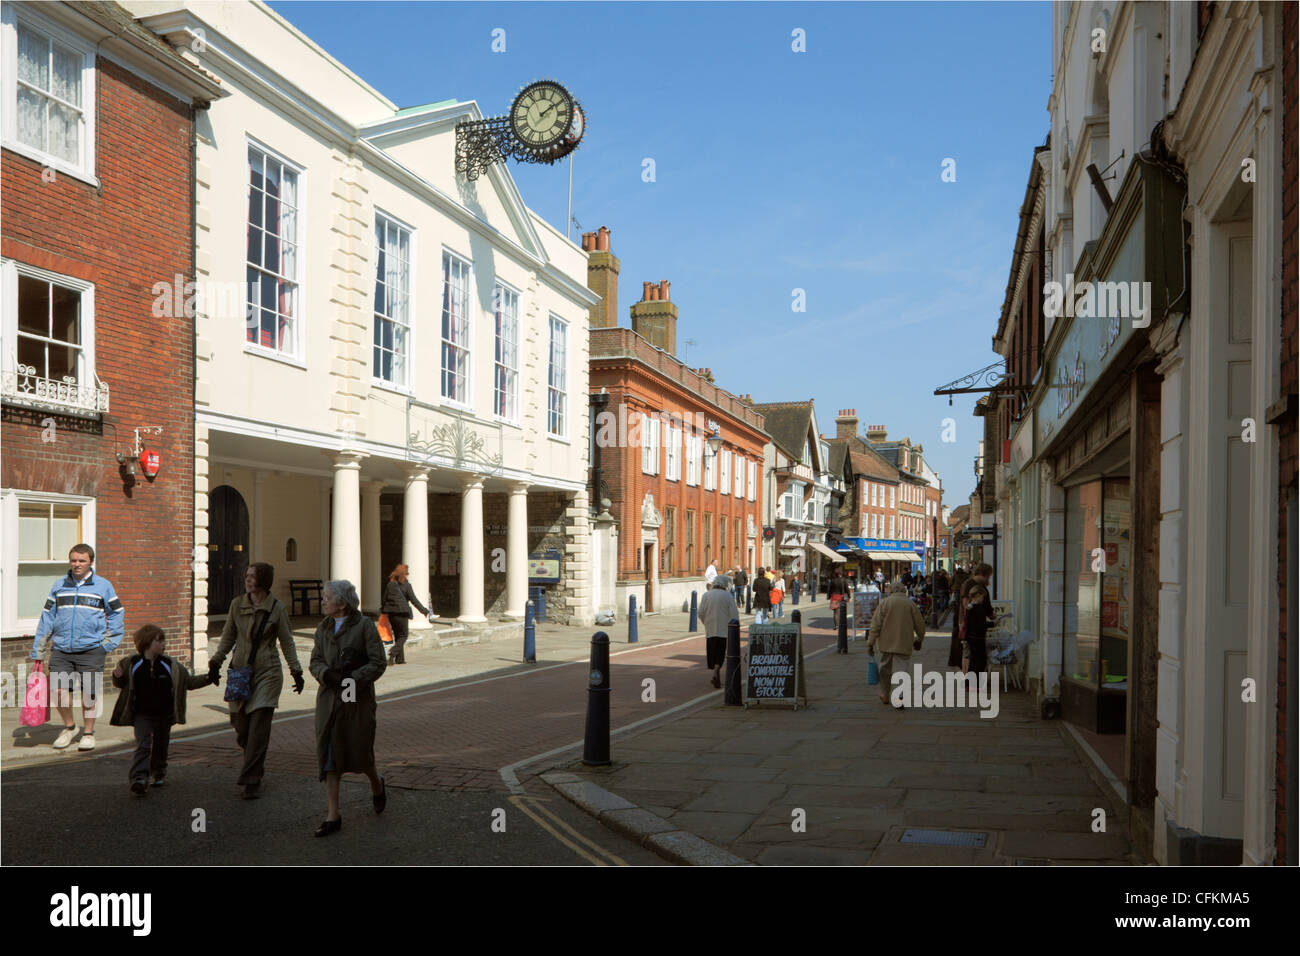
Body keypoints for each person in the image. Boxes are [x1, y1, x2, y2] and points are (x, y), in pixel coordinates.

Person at [209, 562, 304, 800]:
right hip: (240, 672)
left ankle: (251, 779)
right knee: (241, 727)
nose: (248, 579)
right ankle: (255, 761)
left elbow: (287, 642)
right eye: (247, 575)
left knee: (259, 724)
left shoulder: (277, 609)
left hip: (267, 672)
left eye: (252, 576)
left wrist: (296, 671)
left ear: (263, 579)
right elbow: (228, 635)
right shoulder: (236, 605)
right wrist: (216, 661)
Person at [310, 579, 387, 837]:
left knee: (359, 751)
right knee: (330, 752)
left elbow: (378, 662)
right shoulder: (323, 628)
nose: (323, 601)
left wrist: (353, 679)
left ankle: (376, 784)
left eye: (327, 598)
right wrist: (327, 675)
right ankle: (333, 815)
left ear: (341, 603)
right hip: (330, 698)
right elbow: (315, 660)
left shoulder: (364, 626)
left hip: (356, 697)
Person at [30, 544, 124, 752]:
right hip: (62, 649)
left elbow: (117, 613)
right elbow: (47, 618)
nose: (77, 564)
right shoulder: (59, 586)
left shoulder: (103, 586)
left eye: (82, 560)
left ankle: (88, 733)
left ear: (91, 562)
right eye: (73, 560)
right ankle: (69, 727)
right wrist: (39, 650)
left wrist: (108, 644)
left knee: (89, 694)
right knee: (59, 691)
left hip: (92, 650)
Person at [110, 624, 214, 794]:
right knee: (143, 745)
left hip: (164, 713)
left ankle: (158, 772)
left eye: (164, 640)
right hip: (141, 713)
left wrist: (208, 678)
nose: (164, 644)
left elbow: (188, 682)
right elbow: (122, 683)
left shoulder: (170, 665)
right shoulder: (131, 664)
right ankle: (139, 778)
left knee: (161, 745)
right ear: (146, 643)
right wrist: (117, 676)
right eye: (159, 640)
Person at [867, 580, 927, 706]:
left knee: (884, 669)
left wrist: (870, 642)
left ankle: (884, 694)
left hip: (886, 643)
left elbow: (875, 625)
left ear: (891, 590)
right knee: (902, 670)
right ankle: (899, 696)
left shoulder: (885, 603)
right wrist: (919, 639)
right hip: (904, 642)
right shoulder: (910, 604)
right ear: (903, 590)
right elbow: (920, 625)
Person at [381, 563, 437, 665]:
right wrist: (424, 610)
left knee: (398, 636)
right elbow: (413, 600)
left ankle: (400, 659)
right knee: (403, 636)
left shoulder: (390, 584)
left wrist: (383, 611)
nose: (407, 575)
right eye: (407, 573)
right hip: (402, 613)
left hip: (391, 614)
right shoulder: (406, 585)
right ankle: (392, 653)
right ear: (404, 574)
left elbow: (384, 599)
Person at [948, 562, 991, 670]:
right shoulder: (968, 584)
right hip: (967, 624)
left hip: (974, 624)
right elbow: (966, 605)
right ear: (982, 574)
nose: (989, 579)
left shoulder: (980, 585)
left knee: (972, 653)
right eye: (988, 576)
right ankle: (966, 677)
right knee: (967, 653)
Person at [699, 574, 737, 689]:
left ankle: (716, 675)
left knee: (712, 652)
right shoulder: (727, 596)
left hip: (710, 629)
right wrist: (733, 627)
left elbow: (700, 613)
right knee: (721, 652)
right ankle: (716, 672)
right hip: (723, 629)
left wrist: (706, 622)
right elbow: (734, 614)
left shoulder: (706, 595)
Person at [956, 583, 996, 675]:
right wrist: (993, 623)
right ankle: (975, 684)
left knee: (973, 660)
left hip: (970, 637)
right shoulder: (979, 608)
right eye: (982, 597)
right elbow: (980, 625)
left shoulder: (969, 607)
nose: (983, 600)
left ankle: (968, 683)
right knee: (981, 661)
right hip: (978, 637)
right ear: (978, 595)